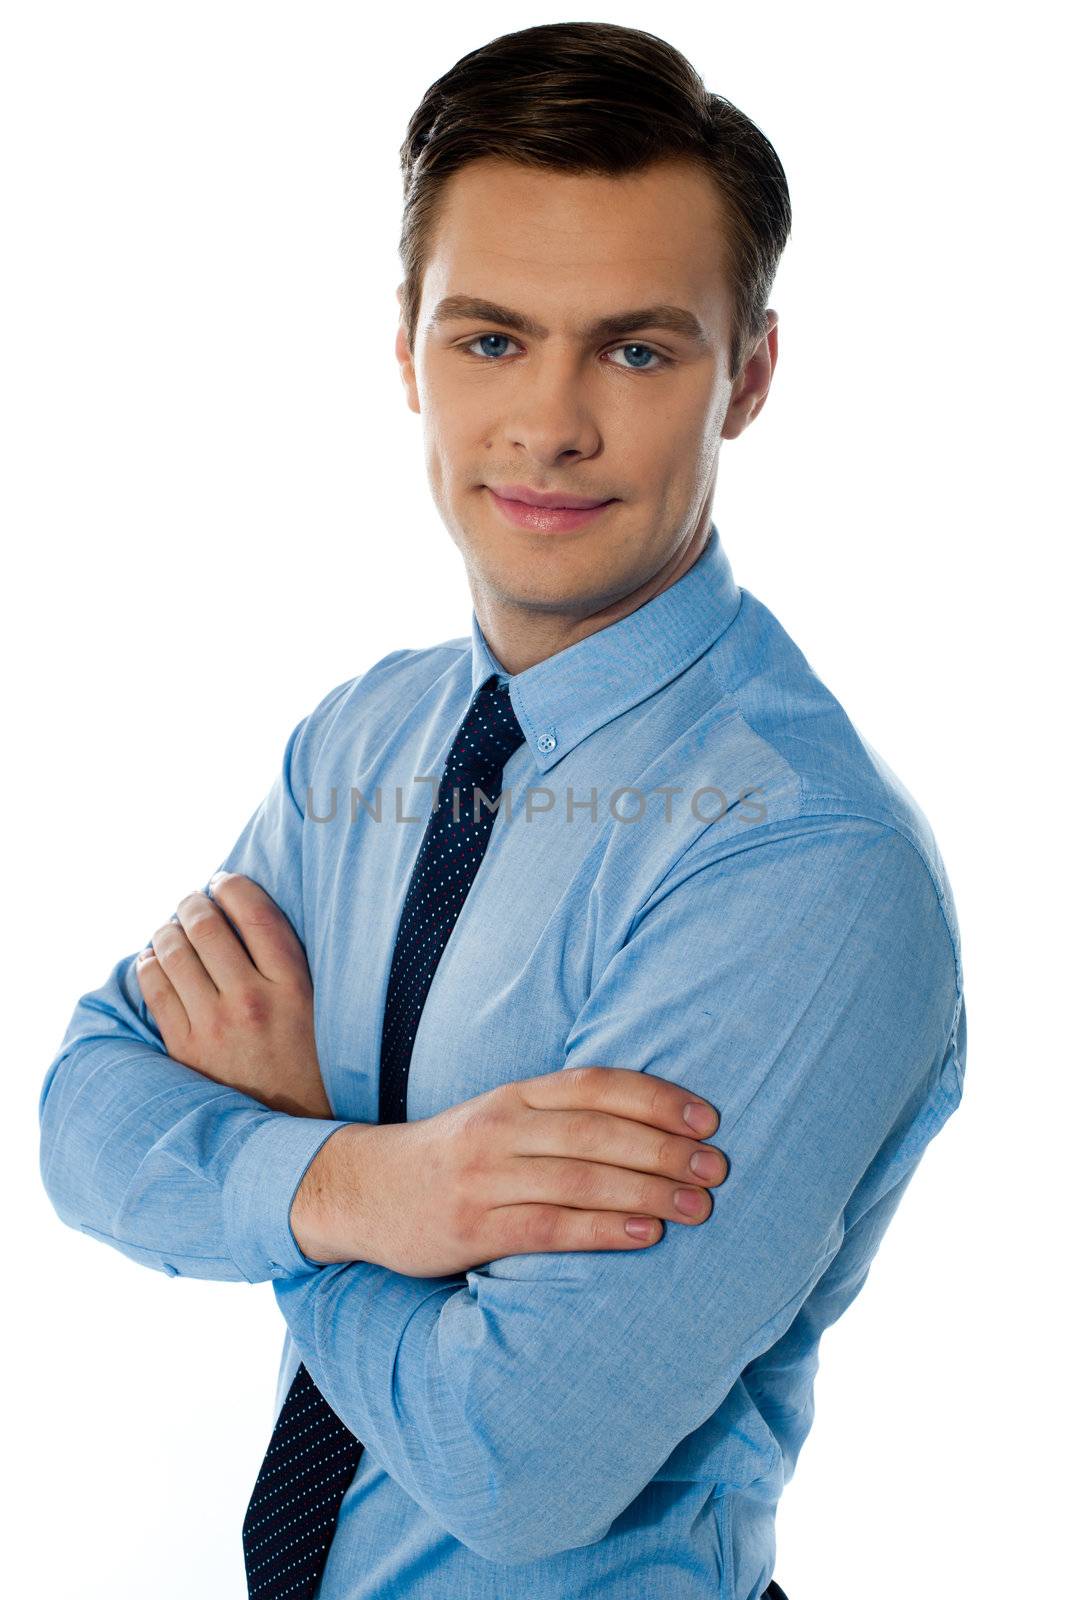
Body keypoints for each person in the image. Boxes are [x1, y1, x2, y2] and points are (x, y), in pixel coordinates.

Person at [38, 21, 965, 1600]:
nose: (547, 425)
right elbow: (83, 1121)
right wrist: (366, 1186)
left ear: (744, 376)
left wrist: (280, 1169)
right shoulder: (365, 740)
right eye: (489, 340)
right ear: (404, 347)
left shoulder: (800, 859)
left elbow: (520, 1461)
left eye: (634, 348)